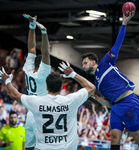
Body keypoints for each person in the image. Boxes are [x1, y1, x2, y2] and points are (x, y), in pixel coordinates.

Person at [81, 12, 139, 150]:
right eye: (82, 65)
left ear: (93, 62)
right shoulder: (97, 83)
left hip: (128, 102)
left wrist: (124, 23)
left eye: (85, 63)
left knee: (137, 136)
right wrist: (95, 97)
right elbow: (108, 103)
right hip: (116, 107)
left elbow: (117, 44)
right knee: (114, 138)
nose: (83, 66)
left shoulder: (106, 61)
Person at [0, 61, 95, 149]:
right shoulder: (71, 101)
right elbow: (91, 88)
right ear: (61, 86)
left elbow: (15, 95)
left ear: (46, 86)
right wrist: (73, 74)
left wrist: (7, 81)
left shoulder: (37, 102)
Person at [22, 14, 51, 150]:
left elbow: (31, 47)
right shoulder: (43, 73)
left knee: (29, 147)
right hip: (42, 114)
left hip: (30, 114)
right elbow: (46, 53)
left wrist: (32, 26)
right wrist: (44, 33)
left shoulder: (28, 68)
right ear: (43, 65)